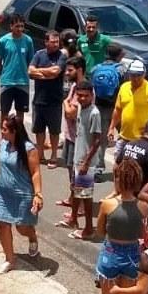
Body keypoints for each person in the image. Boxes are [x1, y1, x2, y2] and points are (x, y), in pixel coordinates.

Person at [95, 159, 148, 294]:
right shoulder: (143, 206)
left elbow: (100, 231)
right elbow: (142, 233)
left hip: (110, 253)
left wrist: (113, 193)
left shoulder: (107, 204)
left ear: (118, 179)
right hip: (132, 255)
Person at [0, 115, 43, 274]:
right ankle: (10, 259)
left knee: (21, 227)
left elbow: (35, 172)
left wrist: (38, 194)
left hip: (21, 194)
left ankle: (32, 236)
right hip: (1, 192)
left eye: (5, 129)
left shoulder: (29, 149)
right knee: (3, 224)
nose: (2, 132)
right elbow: (0, 164)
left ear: (14, 131)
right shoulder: (4, 144)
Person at [59, 80, 100, 240]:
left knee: (85, 196)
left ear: (91, 95)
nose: (82, 99)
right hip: (78, 158)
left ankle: (88, 228)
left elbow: (97, 140)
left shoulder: (94, 113)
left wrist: (86, 162)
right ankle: (73, 219)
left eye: (86, 96)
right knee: (76, 191)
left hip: (86, 163)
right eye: (80, 96)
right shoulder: (81, 108)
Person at [110, 59, 148, 143]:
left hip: (141, 140)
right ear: (129, 75)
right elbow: (118, 110)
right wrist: (111, 128)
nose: (135, 78)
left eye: (139, 75)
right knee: (118, 156)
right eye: (133, 75)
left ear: (144, 74)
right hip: (123, 137)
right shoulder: (124, 87)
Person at [28, 31, 66, 167]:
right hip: (39, 100)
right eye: (53, 42)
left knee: (54, 130)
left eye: (57, 42)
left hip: (54, 101)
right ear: (46, 42)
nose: (56, 44)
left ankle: (54, 156)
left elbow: (56, 72)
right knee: (39, 129)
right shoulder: (39, 54)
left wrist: (40, 72)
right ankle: (41, 155)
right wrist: (47, 73)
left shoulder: (61, 56)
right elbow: (30, 71)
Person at [55, 56, 85, 214]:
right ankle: (72, 198)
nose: (66, 73)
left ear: (79, 70)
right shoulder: (74, 85)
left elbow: (71, 113)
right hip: (69, 135)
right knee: (69, 169)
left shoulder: (83, 89)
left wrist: (66, 103)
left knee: (78, 173)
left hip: (79, 139)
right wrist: (67, 103)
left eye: (70, 70)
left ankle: (79, 206)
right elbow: (67, 104)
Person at [90, 43, 124, 176]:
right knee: (126, 136)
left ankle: (98, 170)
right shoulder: (122, 69)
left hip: (100, 107)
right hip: (118, 108)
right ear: (119, 55)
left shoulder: (96, 68)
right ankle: (126, 167)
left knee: (101, 139)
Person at [0, 13, 34, 127]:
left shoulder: (28, 41)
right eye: (17, 26)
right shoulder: (3, 41)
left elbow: (30, 61)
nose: (20, 29)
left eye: (22, 26)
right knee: (4, 112)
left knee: (20, 114)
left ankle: (18, 138)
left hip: (22, 83)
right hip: (7, 82)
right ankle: (4, 138)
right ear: (11, 26)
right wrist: (3, 76)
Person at [115, 118, 148, 187]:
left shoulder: (130, 144)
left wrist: (117, 188)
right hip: (140, 191)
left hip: (124, 189)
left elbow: (116, 166)